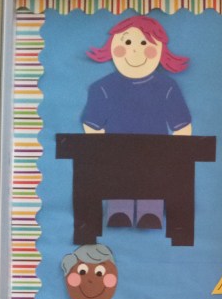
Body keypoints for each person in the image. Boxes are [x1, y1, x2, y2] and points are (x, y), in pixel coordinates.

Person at [82, 14, 192, 229]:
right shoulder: (102, 88)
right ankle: (119, 212)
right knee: (119, 180)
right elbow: (92, 125)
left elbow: (182, 127)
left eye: (143, 43)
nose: (135, 50)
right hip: (117, 159)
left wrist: (174, 158)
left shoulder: (167, 87)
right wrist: (102, 154)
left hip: (155, 159)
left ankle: (150, 213)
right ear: (112, 47)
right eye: (127, 42)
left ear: (160, 51)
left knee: (151, 183)